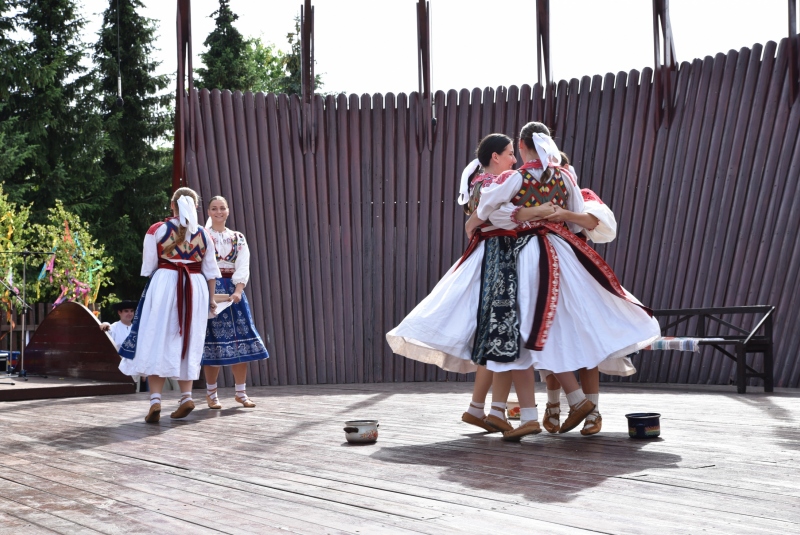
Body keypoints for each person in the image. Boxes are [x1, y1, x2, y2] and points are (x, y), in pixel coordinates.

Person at [465, 121, 660, 434]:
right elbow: (577, 213)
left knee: (528, 323)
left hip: (529, 252)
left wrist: (498, 218)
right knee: (568, 321)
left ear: (522, 145)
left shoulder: (514, 178)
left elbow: (487, 210)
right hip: (564, 251)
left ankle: (554, 406)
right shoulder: (566, 175)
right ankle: (566, 404)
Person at [388, 134, 543, 441]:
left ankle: (490, 410)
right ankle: (514, 413)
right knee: (501, 334)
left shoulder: (486, 186)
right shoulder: (489, 185)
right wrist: (538, 213)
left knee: (497, 337)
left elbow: (493, 215)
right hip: (495, 264)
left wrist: (479, 220)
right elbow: (501, 216)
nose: (514, 159)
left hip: (495, 259)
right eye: (510, 154)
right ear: (495, 157)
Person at [119, 187, 221, 423]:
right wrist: (212, 299)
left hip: (165, 283)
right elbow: (211, 272)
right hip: (195, 288)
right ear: (195, 206)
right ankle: (186, 396)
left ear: (172, 204)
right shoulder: (205, 235)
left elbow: (148, 267)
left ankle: (155, 401)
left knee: (157, 338)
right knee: (188, 339)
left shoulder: (157, 229)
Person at [201, 196, 269, 409]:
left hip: (232, 292)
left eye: (222, 208)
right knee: (212, 344)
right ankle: (211, 394)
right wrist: (207, 292)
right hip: (210, 290)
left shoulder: (238, 237)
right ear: (209, 212)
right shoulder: (203, 235)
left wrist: (239, 290)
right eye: (214, 208)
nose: (218, 212)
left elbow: (243, 264)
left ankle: (241, 392)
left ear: (228, 211)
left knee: (240, 341)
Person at [100, 300, 147, 392]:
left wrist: (144, 373)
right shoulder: (113, 328)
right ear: (119, 312)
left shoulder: (138, 330)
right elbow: (105, 328)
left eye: (131, 311)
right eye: (126, 311)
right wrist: (105, 324)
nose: (129, 313)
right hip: (118, 369)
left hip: (135, 369)